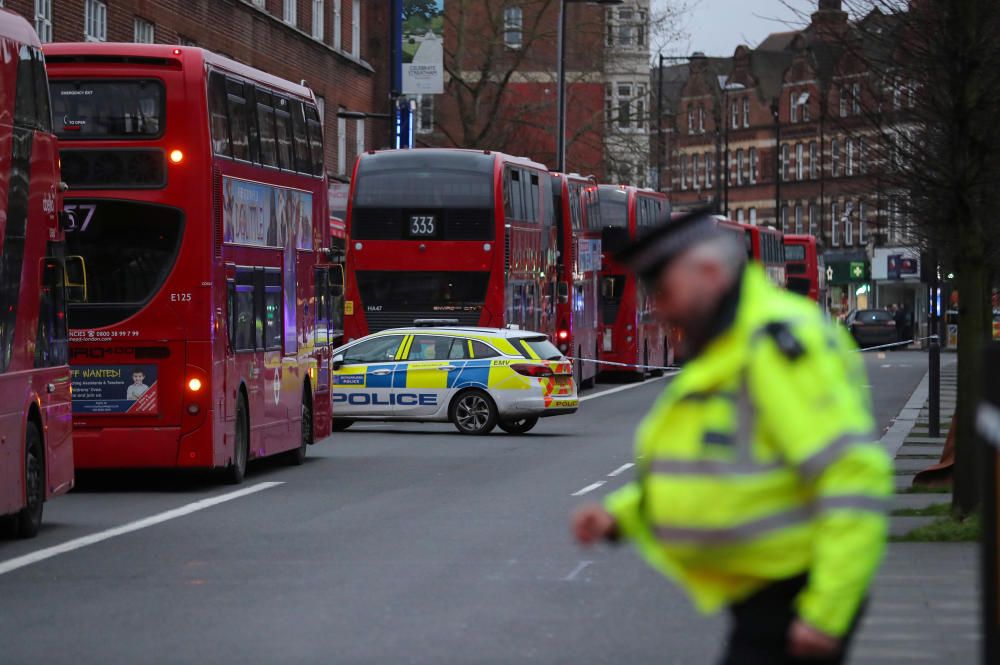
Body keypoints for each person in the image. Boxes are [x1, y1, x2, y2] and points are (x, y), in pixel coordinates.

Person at [571, 210, 891, 665]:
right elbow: (711, 465)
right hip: (766, 596)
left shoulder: (776, 343)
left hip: (796, 592)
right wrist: (619, 517)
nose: (659, 308)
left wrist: (826, 613)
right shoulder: (728, 343)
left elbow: (853, 476)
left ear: (710, 273)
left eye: (664, 292)